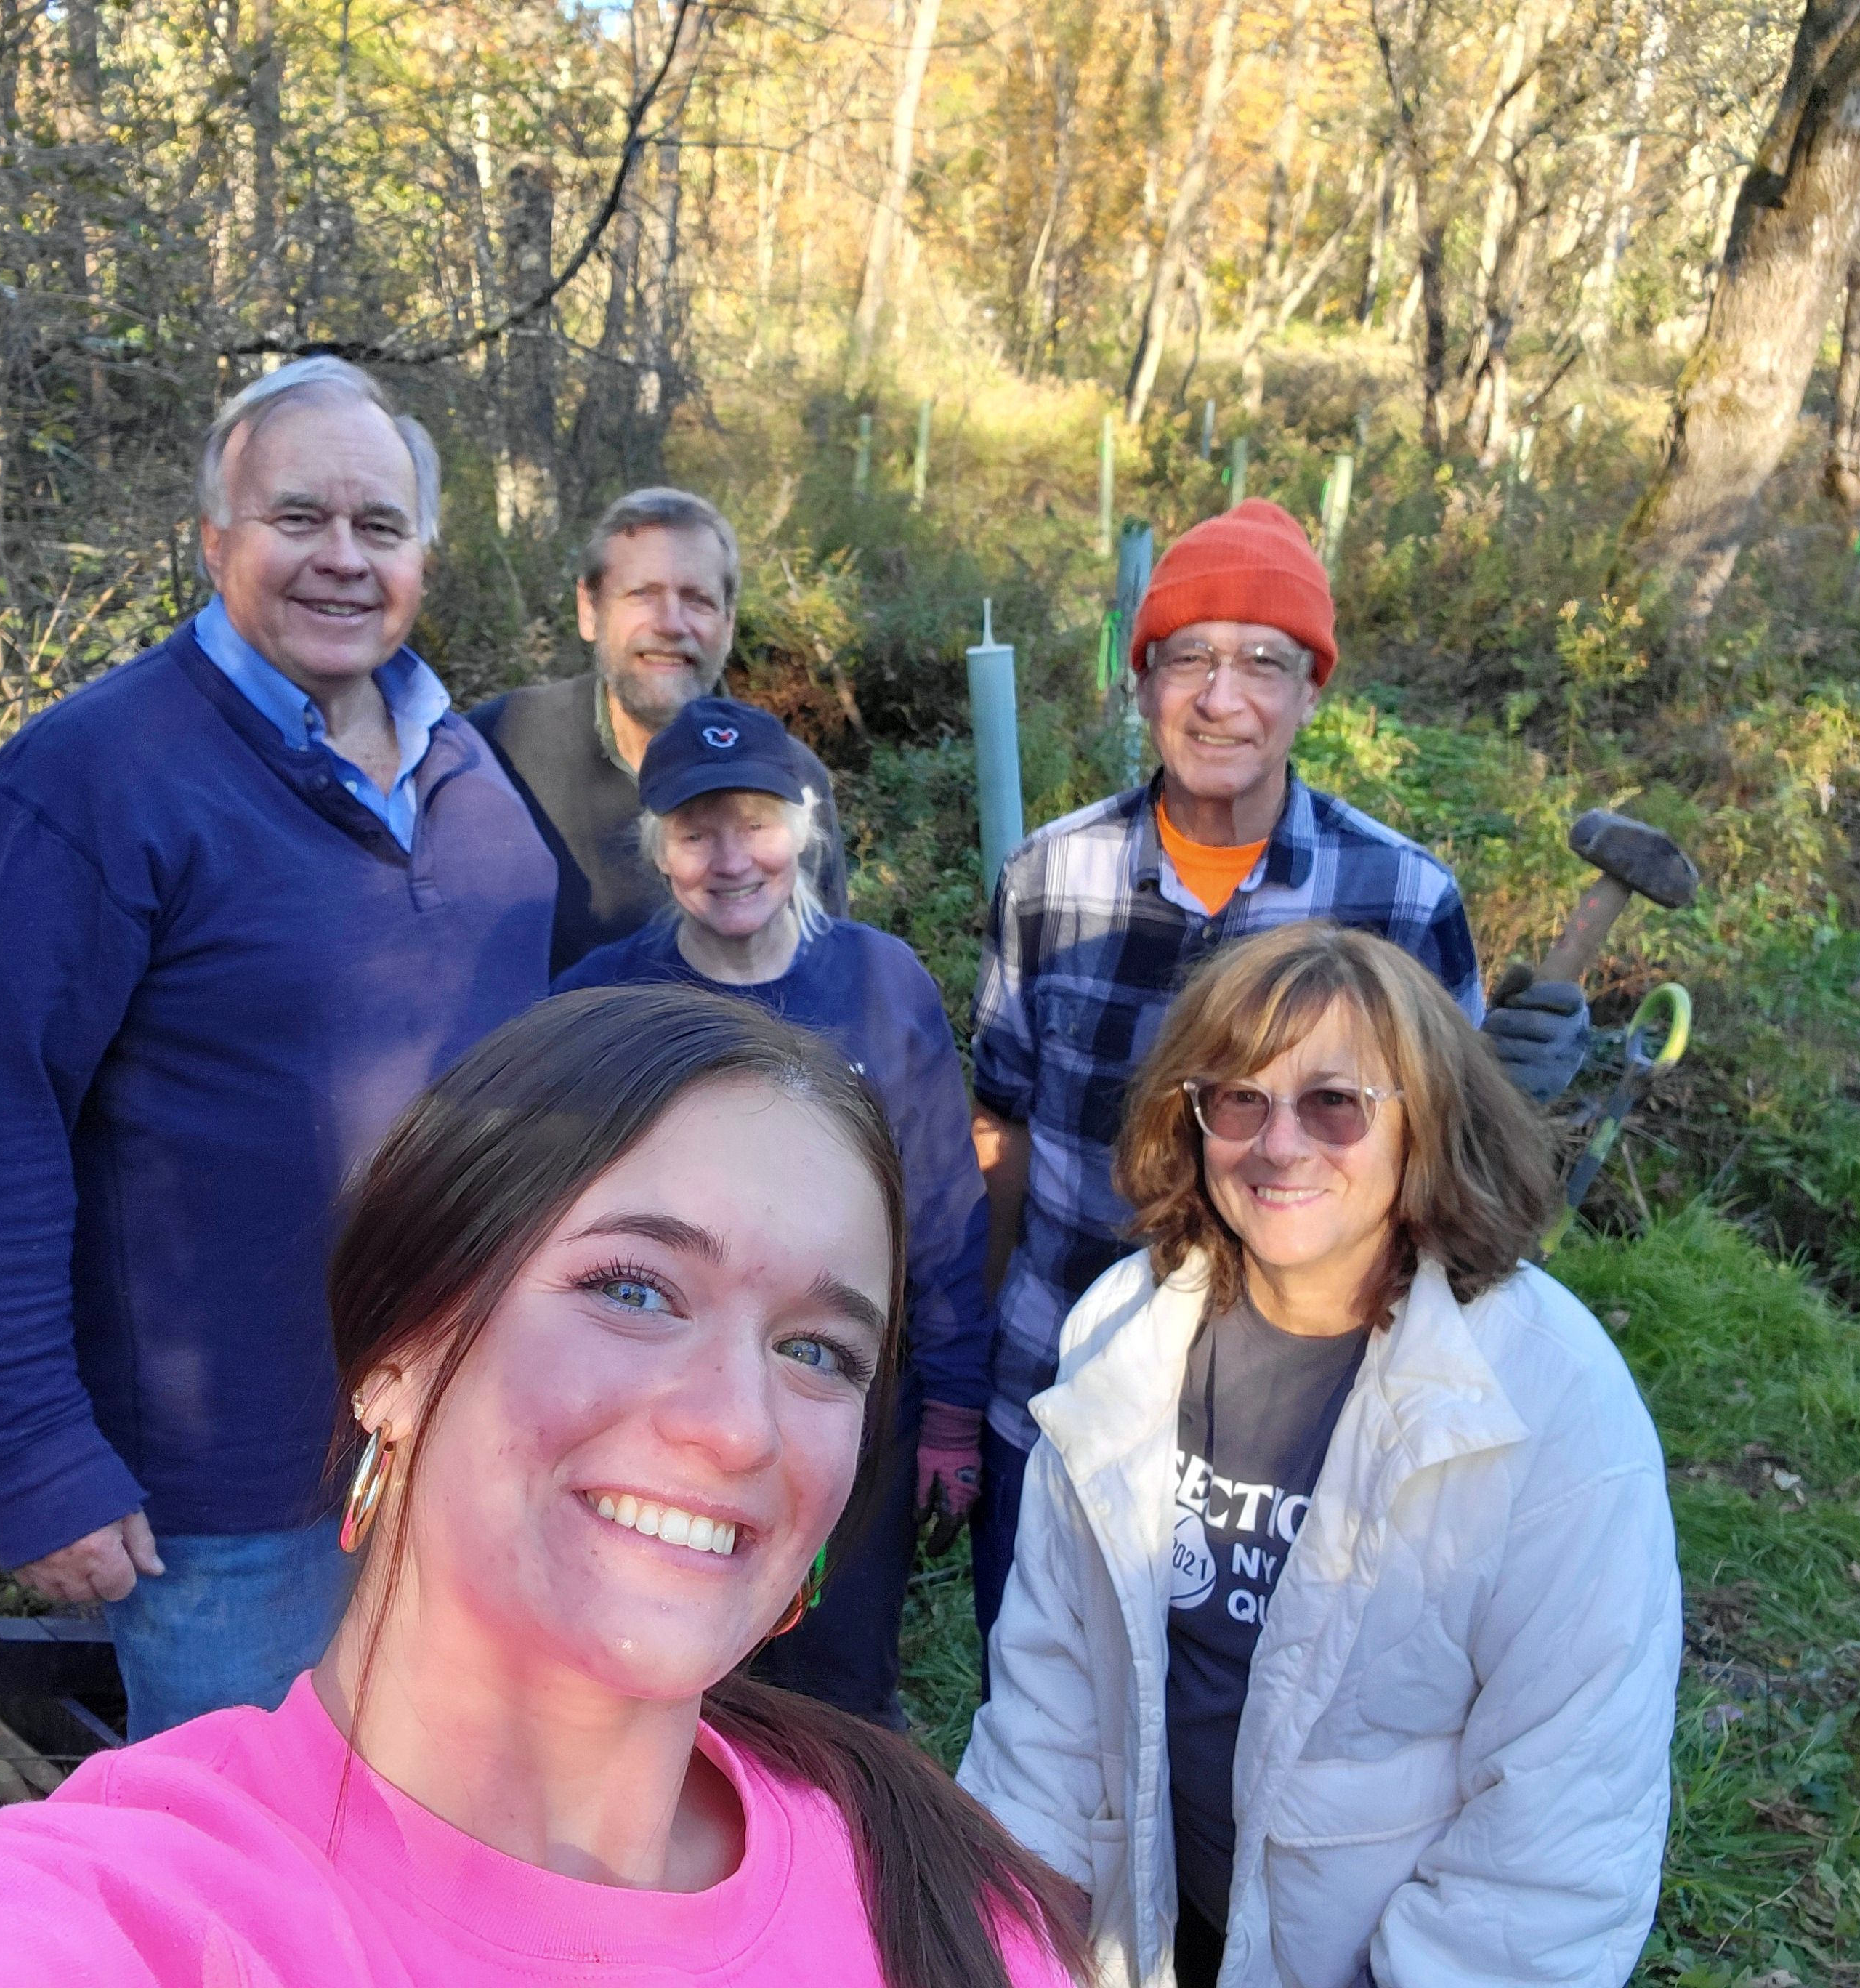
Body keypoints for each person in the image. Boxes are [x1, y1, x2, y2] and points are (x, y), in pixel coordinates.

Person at [0, 990, 1089, 1988]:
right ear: (397, 1355)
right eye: (634, 1290)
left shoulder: (946, 1898)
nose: (741, 1425)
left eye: (821, 1350)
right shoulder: (166, 1915)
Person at [0, 356, 555, 1738]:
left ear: (424, 555)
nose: (340, 558)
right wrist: (38, 1453)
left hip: (458, 1443)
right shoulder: (91, 780)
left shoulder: (471, 778)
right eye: (295, 517)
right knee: (246, 1880)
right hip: (229, 1498)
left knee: (428, 1819)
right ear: (213, 540)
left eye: (378, 526)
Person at [957, 924, 1681, 1988]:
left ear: (1423, 1123)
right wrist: (1012, 1938)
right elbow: (1052, 1688)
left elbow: (1560, 1816)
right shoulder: (1128, 1330)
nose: (1280, 1145)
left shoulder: (1551, 1397)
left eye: (1334, 1104)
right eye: (1239, 1100)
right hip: (1150, 1927)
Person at [966, 499, 1592, 1645]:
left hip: (1299, 1428)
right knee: (1043, 1718)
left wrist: (1513, 1088)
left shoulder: (1403, 899)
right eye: (1188, 658)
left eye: (1265, 661)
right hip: (1065, 1381)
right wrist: (968, 1375)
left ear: (1314, 693)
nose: (1222, 697)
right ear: (1141, 680)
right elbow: (998, 1131)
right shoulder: (1052, 879)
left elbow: (1452, 1171)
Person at [556, 696, 989, 1725]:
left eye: (753, 823)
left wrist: (956, 1412)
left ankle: (839, 1863)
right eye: (697, 832)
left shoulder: (881, 982)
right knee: (667, 1675)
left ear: (803, 827)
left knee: (837, 1687)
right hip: (655, 1411)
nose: (731, 857)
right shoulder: (601, 1003)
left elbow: (941, 1205)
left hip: (845, 1410)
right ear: (659, 852)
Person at [471, 486, 850, 974]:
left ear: (729, 623)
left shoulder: (791, 777)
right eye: (641, 595)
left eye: (698, 600)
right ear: (590, 609)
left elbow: (828, 970)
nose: (671, 624)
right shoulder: (498, 748)